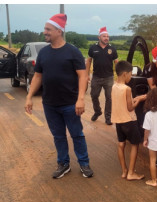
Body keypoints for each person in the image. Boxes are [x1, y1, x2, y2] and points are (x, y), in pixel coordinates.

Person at [24, 14, 93, 179]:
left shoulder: (73, 52)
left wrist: (80, 99)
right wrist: (29, 97)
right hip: (50, 104)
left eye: (48, 29)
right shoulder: (44, 53)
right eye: (45, 29)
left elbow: (83, 76)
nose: (45, 32)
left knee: (77, 134)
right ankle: (63, 163)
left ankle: (84, 163)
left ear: (59, 31)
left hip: (70, 103)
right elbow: (38, 76)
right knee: (58, 136)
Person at [111, 60, 146, 180]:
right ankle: (131, 173)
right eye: (130, 74)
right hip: (129, 120)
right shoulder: (127, 89)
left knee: (121, 144)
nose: (131, 77)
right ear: (125, 74)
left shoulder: (114, 86)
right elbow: (130, 107)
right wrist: (138, 100)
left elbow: (120, 103)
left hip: (118, 120)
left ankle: (124, 171)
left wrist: (135, 99)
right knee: (135, 145)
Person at [86, 26, 118, 125]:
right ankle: (97, 111)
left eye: (107, 36)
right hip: (96, 77)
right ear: (99, 37)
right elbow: (89, 61)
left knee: (109, 98)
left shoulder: (112, 49)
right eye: (104, 36)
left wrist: (120, 75)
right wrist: (87, 74)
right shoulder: (93, 48)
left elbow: (116, 62)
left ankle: (108, 117)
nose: (106, 38)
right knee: (94, 95)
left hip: (109, 78)